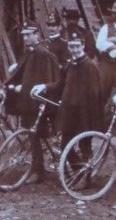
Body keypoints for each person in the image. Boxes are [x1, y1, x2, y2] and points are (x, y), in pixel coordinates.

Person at [33, 33, 105, 168]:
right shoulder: (70, 65)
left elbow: (94, 94)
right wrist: (45, 87)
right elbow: (61, 84)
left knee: (85, 146)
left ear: (83, 46)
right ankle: (79, 171)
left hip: (84, 114)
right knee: (65, 145)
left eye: (77, 46)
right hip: (69, 113)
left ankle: (87, 178)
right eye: (71, 46)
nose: (75, 50)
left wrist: (89, 114)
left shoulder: (90, 66)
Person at [2, 21, 62, 180]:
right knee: (32, 135)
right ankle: (38, 166)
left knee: (35, 135)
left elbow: (51, 79)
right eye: (24, 35)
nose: (26, 38)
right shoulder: (29, 53)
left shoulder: (45, 54)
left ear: (37, 34)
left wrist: (32, 90)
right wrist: (8, 86)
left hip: (39, 102)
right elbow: (22, 74)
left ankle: (38, 169)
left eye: (29, 34)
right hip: (28, 102)